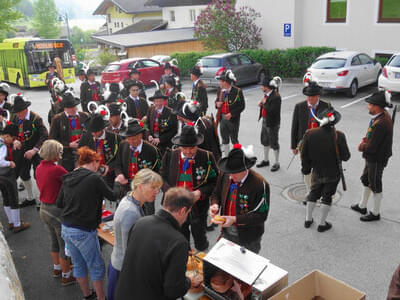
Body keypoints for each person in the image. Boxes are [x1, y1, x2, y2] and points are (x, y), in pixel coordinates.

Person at [115, 187, 202, 300]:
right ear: (182, 210)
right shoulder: (179, 242)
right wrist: (189, 281)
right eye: (188, 213)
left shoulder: (141, 222)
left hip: (124, 293)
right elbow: (173, 290)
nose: (186, 219)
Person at [57, 147, 120, 300]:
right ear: (93, 162)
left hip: (66, 227)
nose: (98, 167)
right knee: (96, 266)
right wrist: (118, 182)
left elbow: (59, 203)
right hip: (83, 230)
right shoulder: (94, 178)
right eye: (97, 163)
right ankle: (101, 298)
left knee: (79, 264)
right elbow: (112, 195)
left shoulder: (69, 176)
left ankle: (87, 295)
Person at [161, 124, 218, 251]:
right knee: (180, 238)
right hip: (176, 207)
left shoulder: (207, 157)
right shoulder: (171, 155)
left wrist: (200, 192)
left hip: (198, 207)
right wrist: (170, 192)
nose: (188, 152)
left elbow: (215, 182)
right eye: (184, 148)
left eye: (192, 148)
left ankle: (203, 263)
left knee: (200, 238)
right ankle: (184, 261)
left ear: (197, 145)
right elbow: (162, 177)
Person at [108, 169, 163, 300]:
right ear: (139, 186)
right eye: (153, 188)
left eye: (158, 188)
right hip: (124, 271)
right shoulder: (130, 212)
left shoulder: (130, 199)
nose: (157, 192)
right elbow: (131, 252)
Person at [210, 144, 270, 254]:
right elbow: (216, 193)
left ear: (245, 169)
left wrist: (234, 219)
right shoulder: (225, 174)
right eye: (230, 172)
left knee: (246, 267)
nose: (231, 176)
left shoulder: (260, 184)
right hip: (226, 232)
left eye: (235, 173)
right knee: (226, 264)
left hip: (249, 238)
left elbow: (261, 216)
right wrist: (215, 204)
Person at [301, 107, 350, 232]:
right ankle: (322, 224)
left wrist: (306, 168)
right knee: (327, 197)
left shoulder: (309, 133)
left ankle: (308, 219)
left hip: (316, 171)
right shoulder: (339, 135)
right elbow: (346, 157)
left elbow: (304, 154)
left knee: (313, 193)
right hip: (333, 173)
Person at [35, 139, 75, 285]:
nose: (61, 154)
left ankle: (57, 268)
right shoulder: (56, 169)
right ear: (53, 153)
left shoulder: (39, 168)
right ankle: (66, 275)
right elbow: (72, 180)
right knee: (64, 244)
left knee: (53, 241)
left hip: (44, 208)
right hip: (56, 210)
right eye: (60, 152)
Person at [351, 91, 393, 222]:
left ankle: (375, 213)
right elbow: (372, 138)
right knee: (365, 179)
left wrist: (361, 146)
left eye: (370, 105)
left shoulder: (381, 123)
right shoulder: (381, 117)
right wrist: (366, 140)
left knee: (375, 184)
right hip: (372, 157)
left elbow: (372, 147)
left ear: (377, 106)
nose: (368, 106)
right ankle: (362, 206)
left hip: (376, 158)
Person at [291, 81, 329, 198]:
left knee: (319, 170)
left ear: (318, 96)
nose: (309, 99)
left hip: (320, 144)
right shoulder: (299, 106)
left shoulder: (326, 106)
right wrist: (294, 145)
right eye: (308, 96)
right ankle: (309, 191)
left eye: (312, 96)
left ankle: (319, 190)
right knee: (306, 168)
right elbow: (295, 127)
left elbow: (330, 127)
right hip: (304, 144)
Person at [114, 119, 161, 214]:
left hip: (146, 190)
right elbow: (118, 164)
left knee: (147, 216)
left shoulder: (152, 151)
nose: (131, 142)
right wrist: (120, 174)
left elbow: (158, 172)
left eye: (134, 139)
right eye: (128, 138)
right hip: (126, 187)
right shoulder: (123, 145)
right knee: (127, 214)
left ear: (140, 135)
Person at [11, 94, 48, 208]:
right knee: (24, 173)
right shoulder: (16, 118)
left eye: (20, 112)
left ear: (25, 109)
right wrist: (15, 141)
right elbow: (12, 133)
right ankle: (30, 197)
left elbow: (44, 135)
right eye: (16, 113)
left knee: (39, 175)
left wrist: (34, 150)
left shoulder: (36, 118)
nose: (18, 115)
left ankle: (43, 199)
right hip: (22, 151)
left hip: (36, 151)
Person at [0, 124, 30, 233]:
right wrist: (10, 163)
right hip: (7, 175)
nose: (12, 141)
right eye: (12, 139)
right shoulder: (2, 146)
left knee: (6, 198)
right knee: (13, 198)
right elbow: (1, 161)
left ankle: (11, 221)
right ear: (7, 136)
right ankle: (17, 224)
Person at [50, 91, 89, 171]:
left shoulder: (84, 116)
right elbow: (52, 140)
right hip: (66, 157)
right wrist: (68, 144)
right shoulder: (57, 119)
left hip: (84, 153)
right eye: (69, 107)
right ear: (64, 108)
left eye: (74, 106)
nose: (73, 109)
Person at [78, 113, 120, 188]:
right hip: (91, 175)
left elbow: (120, 158)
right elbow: (80, 153)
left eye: (96, 131)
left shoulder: (115, 138)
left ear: (102, 129)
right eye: (92, 131)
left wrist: (109, 167)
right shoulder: (86, 136)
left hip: (110, 176)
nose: (94, 134)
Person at [215, 70, 245, 157]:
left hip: (233, 119)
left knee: (234, 139)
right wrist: (217, 104)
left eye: (220, 81)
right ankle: (227, 157)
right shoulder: (220, 90)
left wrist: (231, 114)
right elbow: (216, 101)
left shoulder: (237, 91)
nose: (219, 82)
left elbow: (241, 106)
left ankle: (238, 157)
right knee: (224, 139)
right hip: (222, 118)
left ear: (225, 82)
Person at [256, 77, 282, 172]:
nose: (261, 87)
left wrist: (264, 103)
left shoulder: (276, 97)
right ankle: (266, 160)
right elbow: (266, 106)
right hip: (265, 120)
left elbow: (272, 110)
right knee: (265, 140)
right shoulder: (267, 95)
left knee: (274, 142)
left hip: (273, 123)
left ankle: (277, 162)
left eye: (262, 86)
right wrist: (262, 103)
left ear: (267, 87)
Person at [146, 90, 178, 154]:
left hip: (165, 144)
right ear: (153, 102)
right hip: (152, 142)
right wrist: (148, 135)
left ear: (164, 101)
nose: (158, 103)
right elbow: (147, 124)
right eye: (156, 101)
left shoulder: (170, 112)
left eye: (160, 101)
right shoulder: (150, 109)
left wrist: (160, 139)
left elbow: (174, 130)